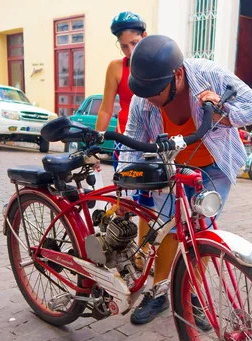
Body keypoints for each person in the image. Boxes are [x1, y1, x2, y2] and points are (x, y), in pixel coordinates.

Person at [119, 35, 252, 327]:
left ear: (178, 75)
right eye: (142, 91)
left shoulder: (209, 74)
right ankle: (159, 292)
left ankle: (191, 294)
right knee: (167, 231)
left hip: (214, 168)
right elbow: (132, 143)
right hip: (170, 170)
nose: (147, 98)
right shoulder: (142, 99)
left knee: (201, 231)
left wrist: (225, 114)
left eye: (153, 91)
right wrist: (125, 190)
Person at [96, 11, 153, 270]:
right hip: (127, 143)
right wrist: (96, 143)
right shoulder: (116, 68)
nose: (130, 50)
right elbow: (107, 108)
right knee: (126, 203)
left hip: (154, 144)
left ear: (145, 37)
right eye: (124, 46)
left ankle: (143, 252)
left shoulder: (158, 62)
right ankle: (113, 240)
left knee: (149, 203)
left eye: (135, 44)